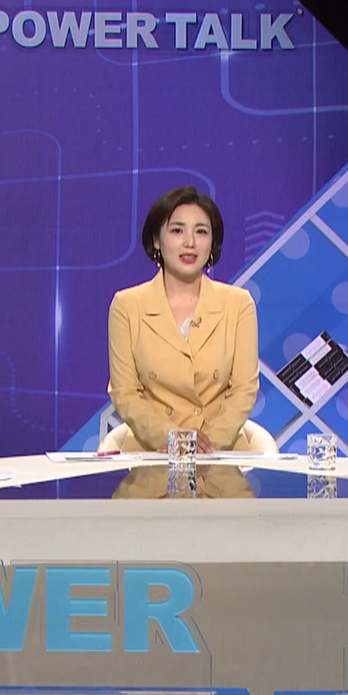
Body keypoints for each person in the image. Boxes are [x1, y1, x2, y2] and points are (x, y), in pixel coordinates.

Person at [107, 186, 260, 498]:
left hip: (219, 459)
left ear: (212, 243)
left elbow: (244, 389)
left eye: (201, 231)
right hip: (153, 458)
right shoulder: (127, 305)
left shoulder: (238, 304)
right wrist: (171, 438)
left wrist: (205, 445)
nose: (190, 242)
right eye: (177, 230)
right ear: (156, 240)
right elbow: (125, 392)